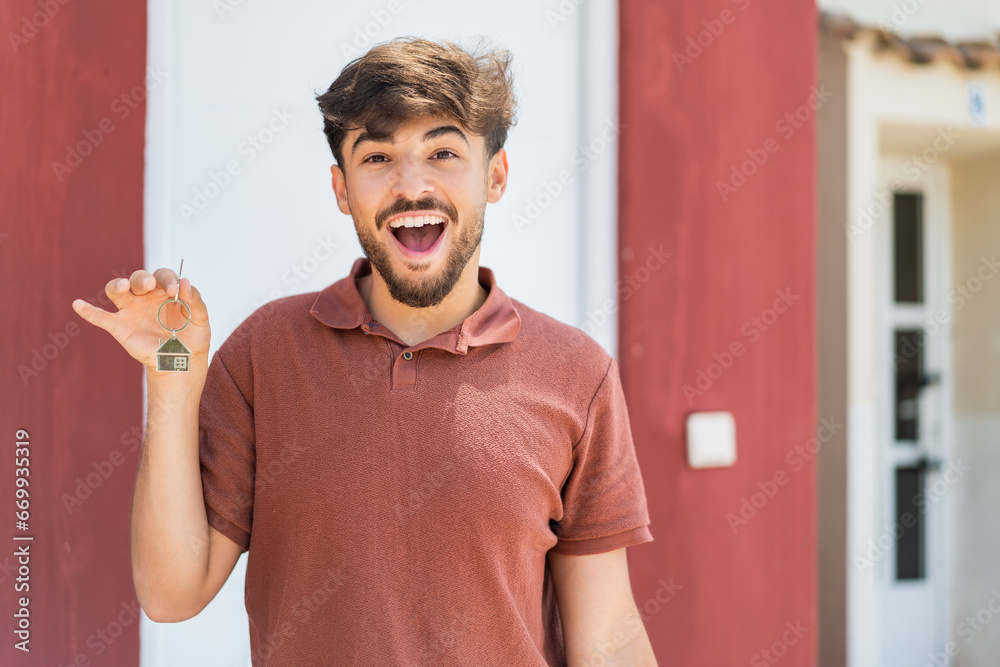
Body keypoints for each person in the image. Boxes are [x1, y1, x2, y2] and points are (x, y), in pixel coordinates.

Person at [72, 36, 657, 666]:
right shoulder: (265, 353)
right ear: (342, 188)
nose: (412, 185)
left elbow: (608, 635)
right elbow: (170, 594)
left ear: (495, 176)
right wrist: (172, 378)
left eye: (443, 152)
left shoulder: (577, 374)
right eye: (378, 157)